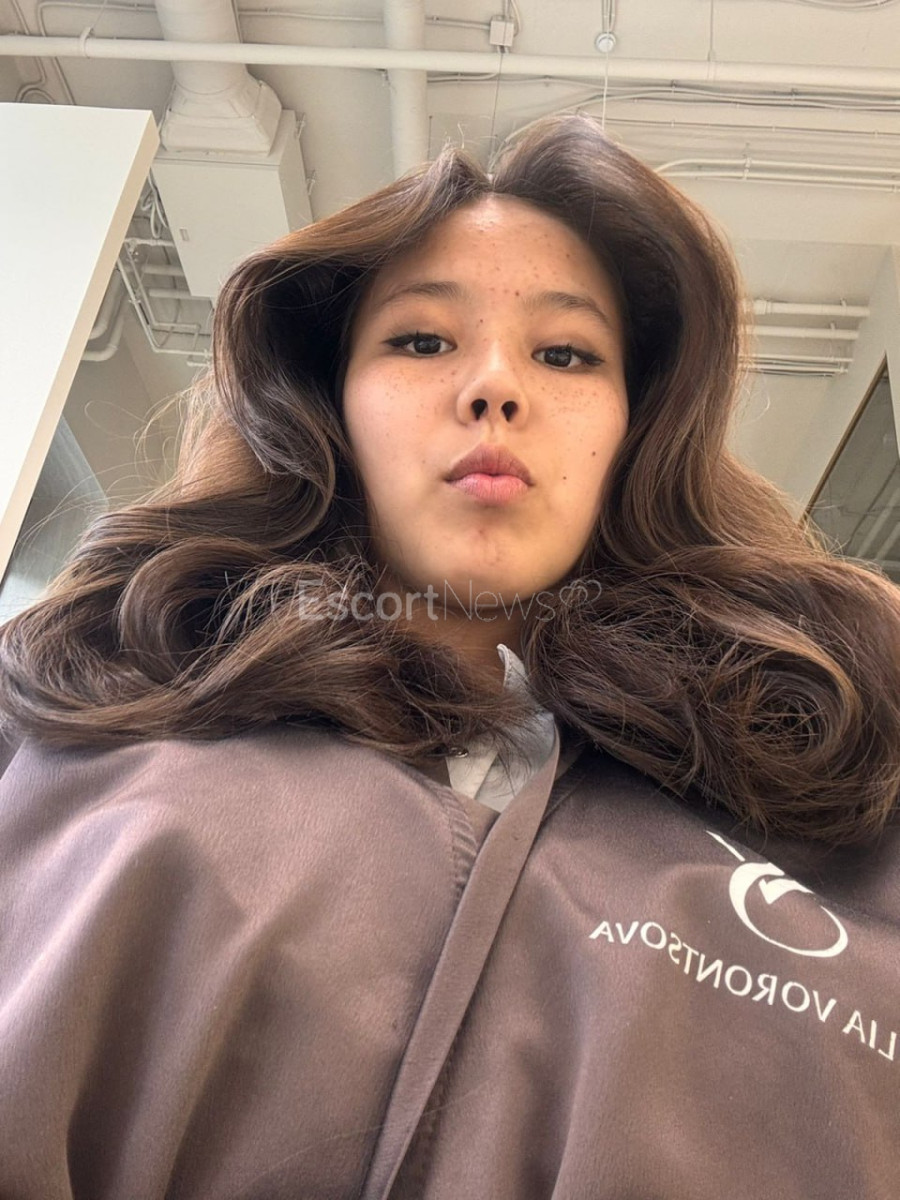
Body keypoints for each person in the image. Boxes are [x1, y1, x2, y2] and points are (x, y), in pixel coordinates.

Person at [0, 113, 899, 1199]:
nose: (494, 386)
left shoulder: (843, 773)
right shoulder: (88, 701)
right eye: (421, 340)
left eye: (565, 354)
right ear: (329, 403)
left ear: (635, 427)